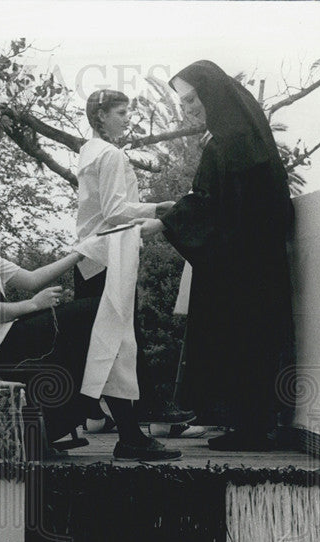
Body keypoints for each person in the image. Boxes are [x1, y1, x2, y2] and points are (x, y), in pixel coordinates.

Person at [0, 157, 180, 461]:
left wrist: (83, 250)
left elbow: (31, 279)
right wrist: (33, 306)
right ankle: (126, 434)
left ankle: (75, 427)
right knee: (97, 313)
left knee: (96, 317)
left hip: (2, 341)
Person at [137, 61, 295, 451]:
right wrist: (180, 208)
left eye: (192, 98)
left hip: (243, 265)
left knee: (244, 337)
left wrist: (166, 223)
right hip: (252, 259)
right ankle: (250, 425)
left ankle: (253, 430)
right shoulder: (241, 136)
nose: (188, 107)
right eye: (183, 101)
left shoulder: (232, 141)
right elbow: (224, 199)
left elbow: (215, 203)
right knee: (248, 339)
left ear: (211, 94)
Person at [74, 89, 194, 428]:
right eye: (122, 112)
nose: (128, 118)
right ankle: (153, 414)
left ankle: (94, 414)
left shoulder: (88, 152)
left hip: (88, 256)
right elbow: (114, 211)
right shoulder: (110, 154)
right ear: (100, 117)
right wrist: (159, 207)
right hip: (109, 254)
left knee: (97, 337)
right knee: (125, 336)